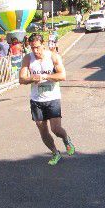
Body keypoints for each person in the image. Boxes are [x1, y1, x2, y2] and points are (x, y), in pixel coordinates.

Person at [18, 33, 74, 166]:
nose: (35, 51)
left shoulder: (53, 56)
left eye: (37, 47)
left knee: (56, 129)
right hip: (36, 100)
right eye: (32, 48)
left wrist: (46, 77)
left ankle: (66, 139)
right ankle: (55, 153)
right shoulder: (27, 58)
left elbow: (62, 75)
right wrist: (33, 78)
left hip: (52, 98)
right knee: (42, 129)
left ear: (43, 44)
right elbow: (21, 79)